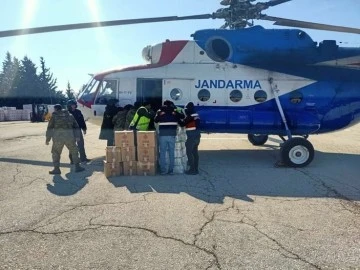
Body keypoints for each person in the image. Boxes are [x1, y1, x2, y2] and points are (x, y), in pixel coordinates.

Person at [45, 104, 85, 174]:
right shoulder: (70, 115)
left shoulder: (54, 116)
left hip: (58, 138)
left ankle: (56, 169)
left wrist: (48, 139)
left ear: (56, 109)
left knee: (56, 153)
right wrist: (77, 136)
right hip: (69, 137)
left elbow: (50, 128)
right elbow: (76, 126)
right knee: (74, 151)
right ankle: (77, 167)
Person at [154, 100, 182, 175]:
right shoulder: (174, 113)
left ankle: (163, 171)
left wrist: (159, 114)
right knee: (171, 153)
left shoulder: (161, 113)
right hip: (172, 135)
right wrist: (176, 113)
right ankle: (171, 171)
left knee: (162, 153)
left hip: (163, 135)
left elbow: (155, 120)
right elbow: (182, 118)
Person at [180, 102, 201, 175]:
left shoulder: (191, 115)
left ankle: (192, 170)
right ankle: (196, 169)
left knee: (189, 152)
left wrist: (179, 117)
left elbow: (182, 124)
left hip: (192, 135)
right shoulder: (196, 114)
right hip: (197, 134)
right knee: (195, 152)